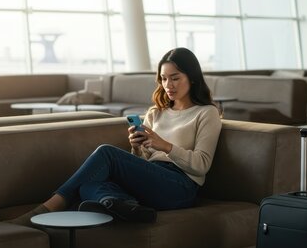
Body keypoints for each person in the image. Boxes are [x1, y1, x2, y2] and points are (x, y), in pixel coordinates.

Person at [15, 47, 222, 224]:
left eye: (175, 78)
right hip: (153, 178)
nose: (168, 85)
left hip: (181, 186)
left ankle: (47, 208)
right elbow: (145, 162)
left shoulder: (206, 113)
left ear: (192, 78)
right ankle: (127, 207)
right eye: (164, 78)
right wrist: (137, 148)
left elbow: (202, 165)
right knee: (88, 185)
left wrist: (165, 146)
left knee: (107, 153)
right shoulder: (155, 112)